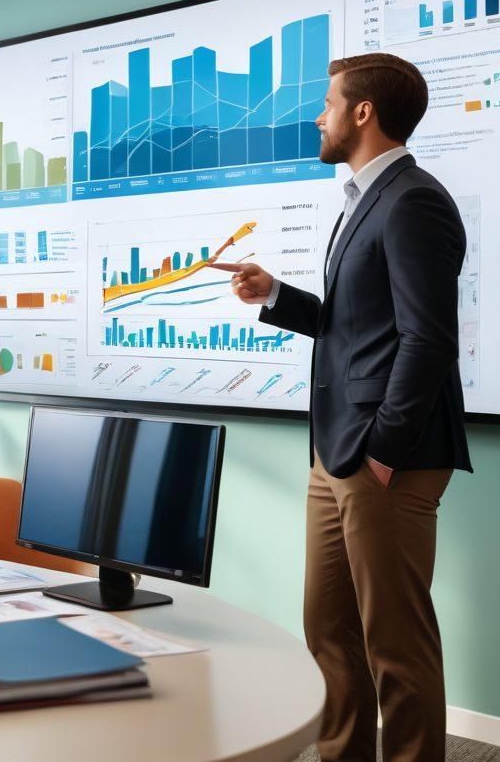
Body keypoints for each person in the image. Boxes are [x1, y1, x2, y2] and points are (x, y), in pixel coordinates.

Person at [211, 53, 471, 762]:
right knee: (328, 631)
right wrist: (275, 295)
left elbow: (428, 340)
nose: (318, 116)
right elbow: (358, 327)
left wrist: (383, 451)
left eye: (328, 103)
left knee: (396, 644)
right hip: (336, 451)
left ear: (363, 112)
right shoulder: (364, 198)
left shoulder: (413, 200)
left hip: (384, 456)